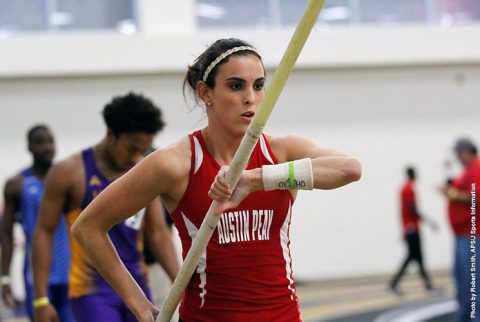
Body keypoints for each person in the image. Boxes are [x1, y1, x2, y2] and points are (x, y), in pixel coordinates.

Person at [71, 38, 362, 322]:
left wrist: (255, 179)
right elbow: (88, 227)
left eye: (259, 86)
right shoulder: (176, 163)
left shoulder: (280, 152)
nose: (251, 98)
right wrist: (141, 306)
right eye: (236, 86)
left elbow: (349, 169)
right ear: (205, 92)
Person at [31, 93, 179, 322]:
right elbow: (44, 231)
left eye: (142, 149)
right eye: (131, 147)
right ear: (111, 133)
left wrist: (181, 284)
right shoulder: (69, 172)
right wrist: (41, 299)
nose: (136, 156)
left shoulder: (143, 170)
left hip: (138, 284)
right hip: (92, 291)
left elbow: (158, 234)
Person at [1, 125, 74, 322]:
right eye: (40, 142)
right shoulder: (17, 184)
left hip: (71, 271)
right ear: (29, 147)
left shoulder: (68, 179)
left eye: (50, 141)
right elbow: (6, 234)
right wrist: (5, 278)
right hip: (37, 274)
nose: (47, 147)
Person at [440, 138, 480, 322]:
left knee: (472, 284)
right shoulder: (468, 171)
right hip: (463, 235)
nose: (456, 156)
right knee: (464, 283)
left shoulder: (476, 168)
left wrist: (453, 194)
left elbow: (476, 198)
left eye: (458, 152)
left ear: (466, 151)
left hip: (471, 235)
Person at [389, 166, 435, 294]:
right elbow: (411, 208)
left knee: (416, 257)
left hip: (409, 227)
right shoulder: (409, 189)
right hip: (412, 228)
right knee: (414, 256)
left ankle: (427, 284)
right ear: (412, 174)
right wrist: (429, 222)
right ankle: (394, 283)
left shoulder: (405, 188)